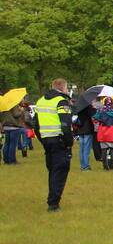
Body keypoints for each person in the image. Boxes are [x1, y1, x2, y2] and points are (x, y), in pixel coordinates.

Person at [34, 78, 73, 211]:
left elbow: (36, 125)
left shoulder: (41, 101)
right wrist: (69, 143)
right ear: (62, 87)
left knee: (52, 171)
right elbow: (66, 125)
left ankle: (52, 200)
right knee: (60, 171)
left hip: (46, 140)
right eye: (67, 88)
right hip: (59, 140)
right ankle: (53, 203)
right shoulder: (61, 101)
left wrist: (42, 139)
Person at [94, 97, 113, 170]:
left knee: (104, 149)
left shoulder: (101, 110)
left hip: (103, 131)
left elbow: (96, 118)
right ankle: (112, 165)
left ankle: (105, 166)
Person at [1, 96, 25, 165]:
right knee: (12, 144)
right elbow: (16, 115)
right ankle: (12, 160)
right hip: (14, 127)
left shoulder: (2, 106)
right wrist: (21, 111)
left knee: (7, 143)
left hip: (5, 126)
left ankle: (6, 160)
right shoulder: (14, 105)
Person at [75, 100, 96, 171]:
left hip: (80, 129)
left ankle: (82, 165)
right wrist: (93, 107)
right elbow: (94, 115)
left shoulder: (79, 106)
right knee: (86, 149)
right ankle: (86, 166)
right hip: (87, 129)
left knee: (82, 149)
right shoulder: (88, 106)